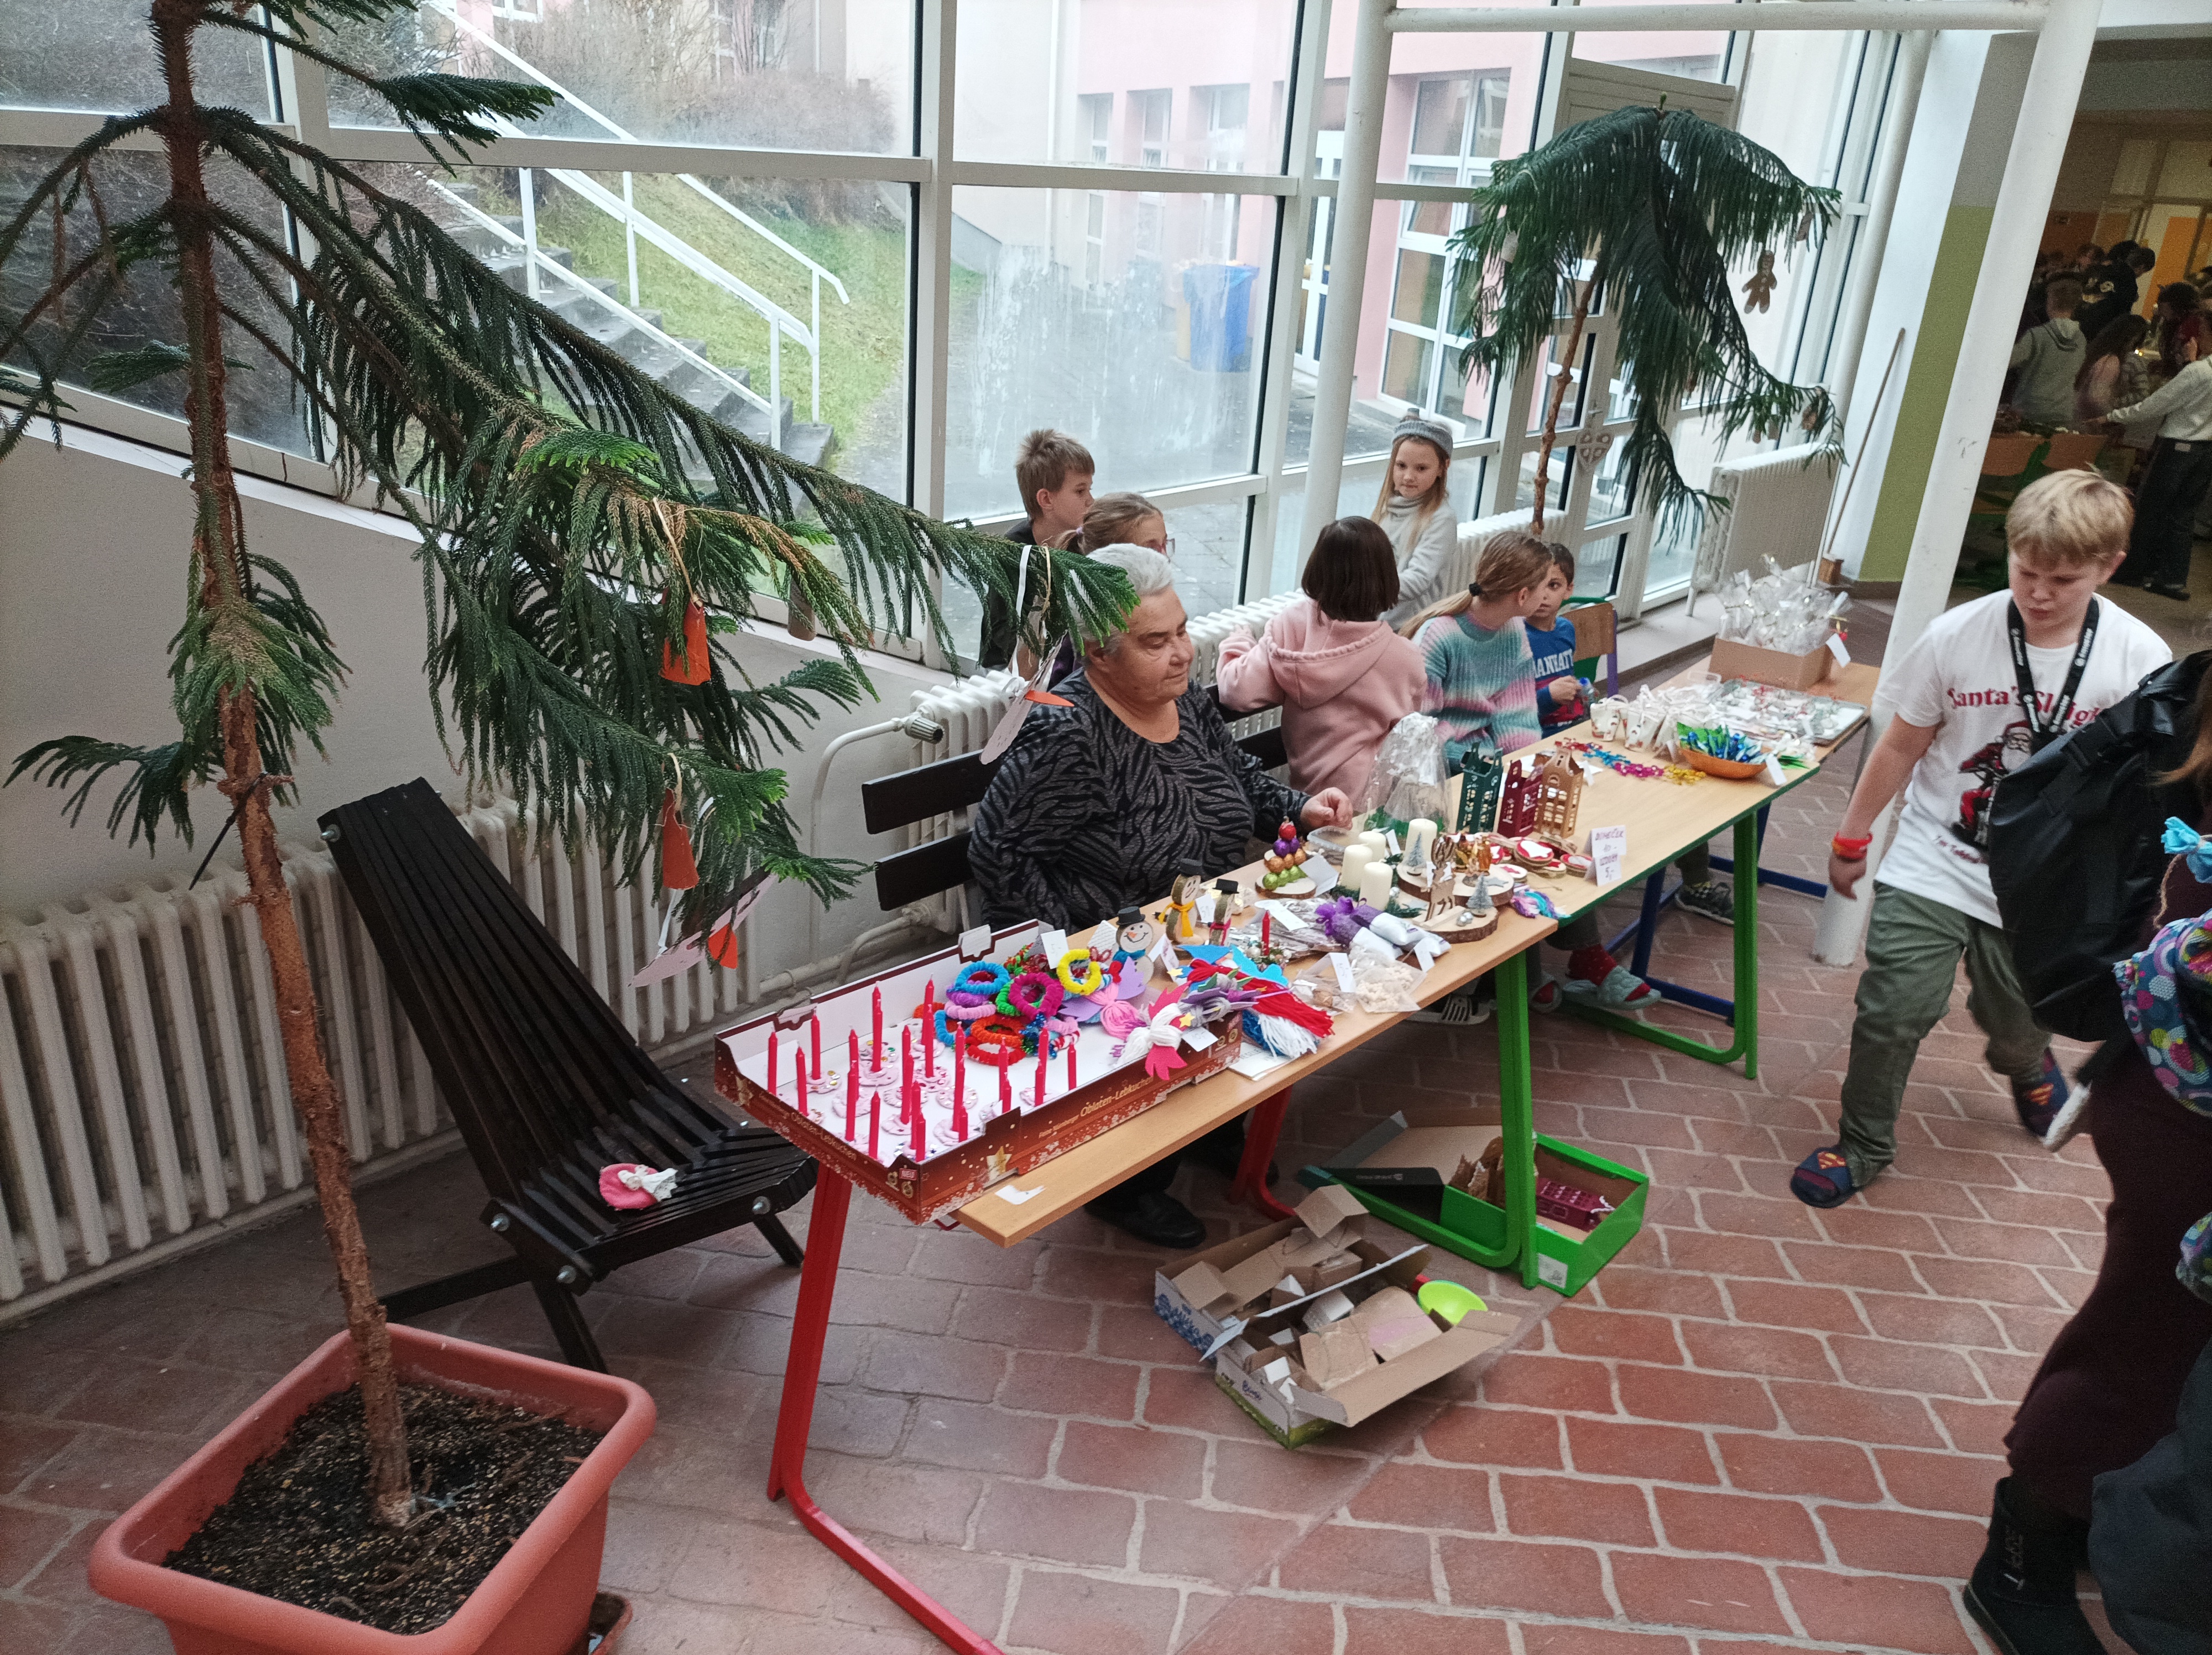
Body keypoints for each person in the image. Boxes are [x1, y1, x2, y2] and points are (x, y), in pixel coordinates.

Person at [1792, 471, 2171, 1209]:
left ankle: (2027, 1063)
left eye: (2063, 580)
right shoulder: (1956, 636)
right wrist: (1851, 836)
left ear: (2109, 566)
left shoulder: (2138, 659)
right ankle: (1863, 1143)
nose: (2038, 593)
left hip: (2045, 885)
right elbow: (1903, 744)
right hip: (1937, 853)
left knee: (2017, 1016)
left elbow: (2146, 786)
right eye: (2026, 571)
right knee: (1894, 1007)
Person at [969, 546, 1354, 1247]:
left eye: (1181, 631)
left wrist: (1301, 808)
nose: (1182, 652)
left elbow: (1239, 779)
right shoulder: (1068, 732)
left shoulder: (1181, 700)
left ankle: (1210, 1126)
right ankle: (1128, 1185)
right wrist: (1065, 955)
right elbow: (999, 850)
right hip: (1120, 959)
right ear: (1098, 652)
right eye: (1156, 641)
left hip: (1206, 926)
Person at [1968, 668, 2212, 1651]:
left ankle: (2106, 1504)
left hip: (2167, 1086)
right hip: (2183, 1106)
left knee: (2169, 1338)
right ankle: (2027, 1538)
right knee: (2152, 1332)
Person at [1406, 530, 1655, 1009]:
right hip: (1443, 782)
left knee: (1543, 837)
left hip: (1489, 772)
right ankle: (1526, 969)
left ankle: (1579, 955)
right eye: (1543, 586)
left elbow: (1518, 719)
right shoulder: (1439, 638)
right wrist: (1479, 765)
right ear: (1523, 594)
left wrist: (1529, 776)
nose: (1546, 597)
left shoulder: (1513, 632)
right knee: (1500, 853)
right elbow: (1421, 730)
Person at [1526, 544, 1735, 926]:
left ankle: (1697, 883)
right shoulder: (1515, 637)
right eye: (1536, 585)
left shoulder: (1565, 630)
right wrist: (1546, 697)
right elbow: (1513, 708)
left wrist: (1586, 694)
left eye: (1553, 586)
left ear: (1569, 590)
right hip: (1539, 746)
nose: (1543, 596)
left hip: (1580, 737)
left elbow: (1569, 683)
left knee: (1669, 785)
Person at [1215, 517, 1426, 804]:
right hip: (1370, 805)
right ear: (1387, 578)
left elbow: (1236, 692)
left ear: (1317, 570)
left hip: (1308, 798)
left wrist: (1239, 641)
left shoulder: (1291, 628)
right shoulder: (1405, 659)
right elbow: (1408, 738)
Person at [979, 429, 1093, 670]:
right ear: (1046, 500)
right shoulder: (1013, 551)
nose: (1090, 501)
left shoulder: (1083, 543)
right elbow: (1003, 634)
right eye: (1080, 491)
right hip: (1008, 670)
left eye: (1090, 489)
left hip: (1062, 661)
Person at [1024, 491, 1166, 684]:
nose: (1164, 558)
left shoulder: (1150, 601)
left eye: (1164, 544)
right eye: (1151, 549)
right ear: (1111, 558)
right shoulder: (1093, 622)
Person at [2109, 348, 2212, 602]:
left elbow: (2156, 404)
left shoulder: (2199, 371)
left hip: (2178, 448)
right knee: (2183, 515)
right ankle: (2171, 579)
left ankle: (2132, 572)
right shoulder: (2199, 369)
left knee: (2150, 509)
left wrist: (2111, 416)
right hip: (2206, 452)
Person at [1373, 415, 1460, 628]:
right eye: (1401, 465)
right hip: (1374, 621)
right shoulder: (1386, 509)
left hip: (1407, 629)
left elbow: (1418, 579)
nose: (1408, 476)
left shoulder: (1442, 519)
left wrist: (1364, 590)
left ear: (1443, 468)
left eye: (1421, 469)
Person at [2008, 275, 2086, 428]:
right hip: (2063, 410)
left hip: (2030, 409)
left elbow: (2008, 361)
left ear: (2051, 301)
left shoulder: (2037, 336)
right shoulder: (2081, 339)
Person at [2074, 314, 2150, 425]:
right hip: (2104, 420)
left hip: (2080, 416)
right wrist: (2114, 408)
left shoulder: (2095, 353)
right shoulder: (2119, 360)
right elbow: (2143, 394)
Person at [2078, 241, 2156, 339]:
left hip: (2077, 322)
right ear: (2142, 267)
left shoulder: (2097, 270)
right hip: (2097, 333)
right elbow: (2120, 319)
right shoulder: (2128, 283)